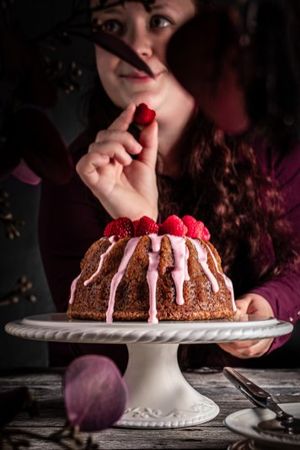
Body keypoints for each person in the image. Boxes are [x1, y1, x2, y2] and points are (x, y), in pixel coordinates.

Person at [39, 0, 300, 370]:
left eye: (159, 21)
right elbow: (102, 352)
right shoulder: (72, 172)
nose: (134, 46)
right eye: (112, 27)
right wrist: (142, 230)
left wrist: (269, 306)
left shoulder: (271, 147)